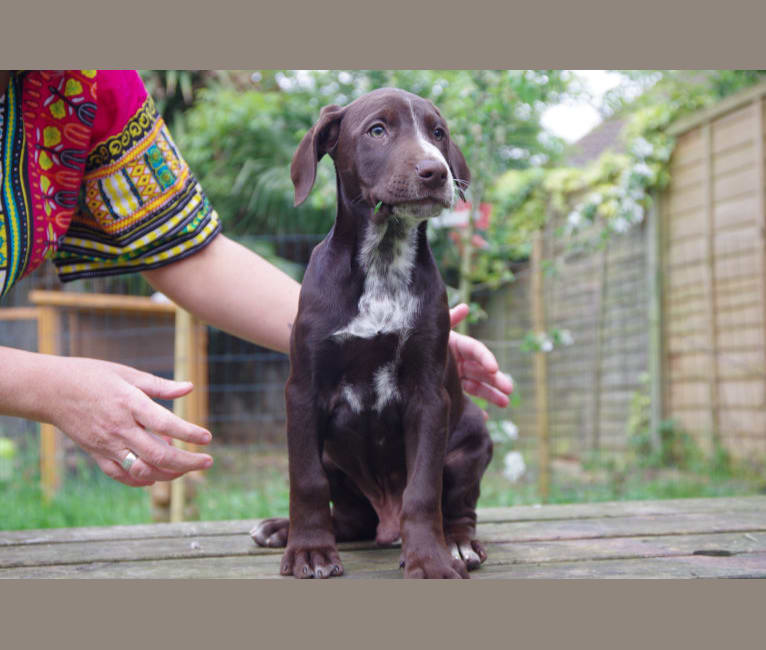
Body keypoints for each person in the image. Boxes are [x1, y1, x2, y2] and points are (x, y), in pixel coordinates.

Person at [0, 70, 512, 488]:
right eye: (379, 130)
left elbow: (185, 249)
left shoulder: (88, 81)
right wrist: (48, 387)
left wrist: (364, 335)